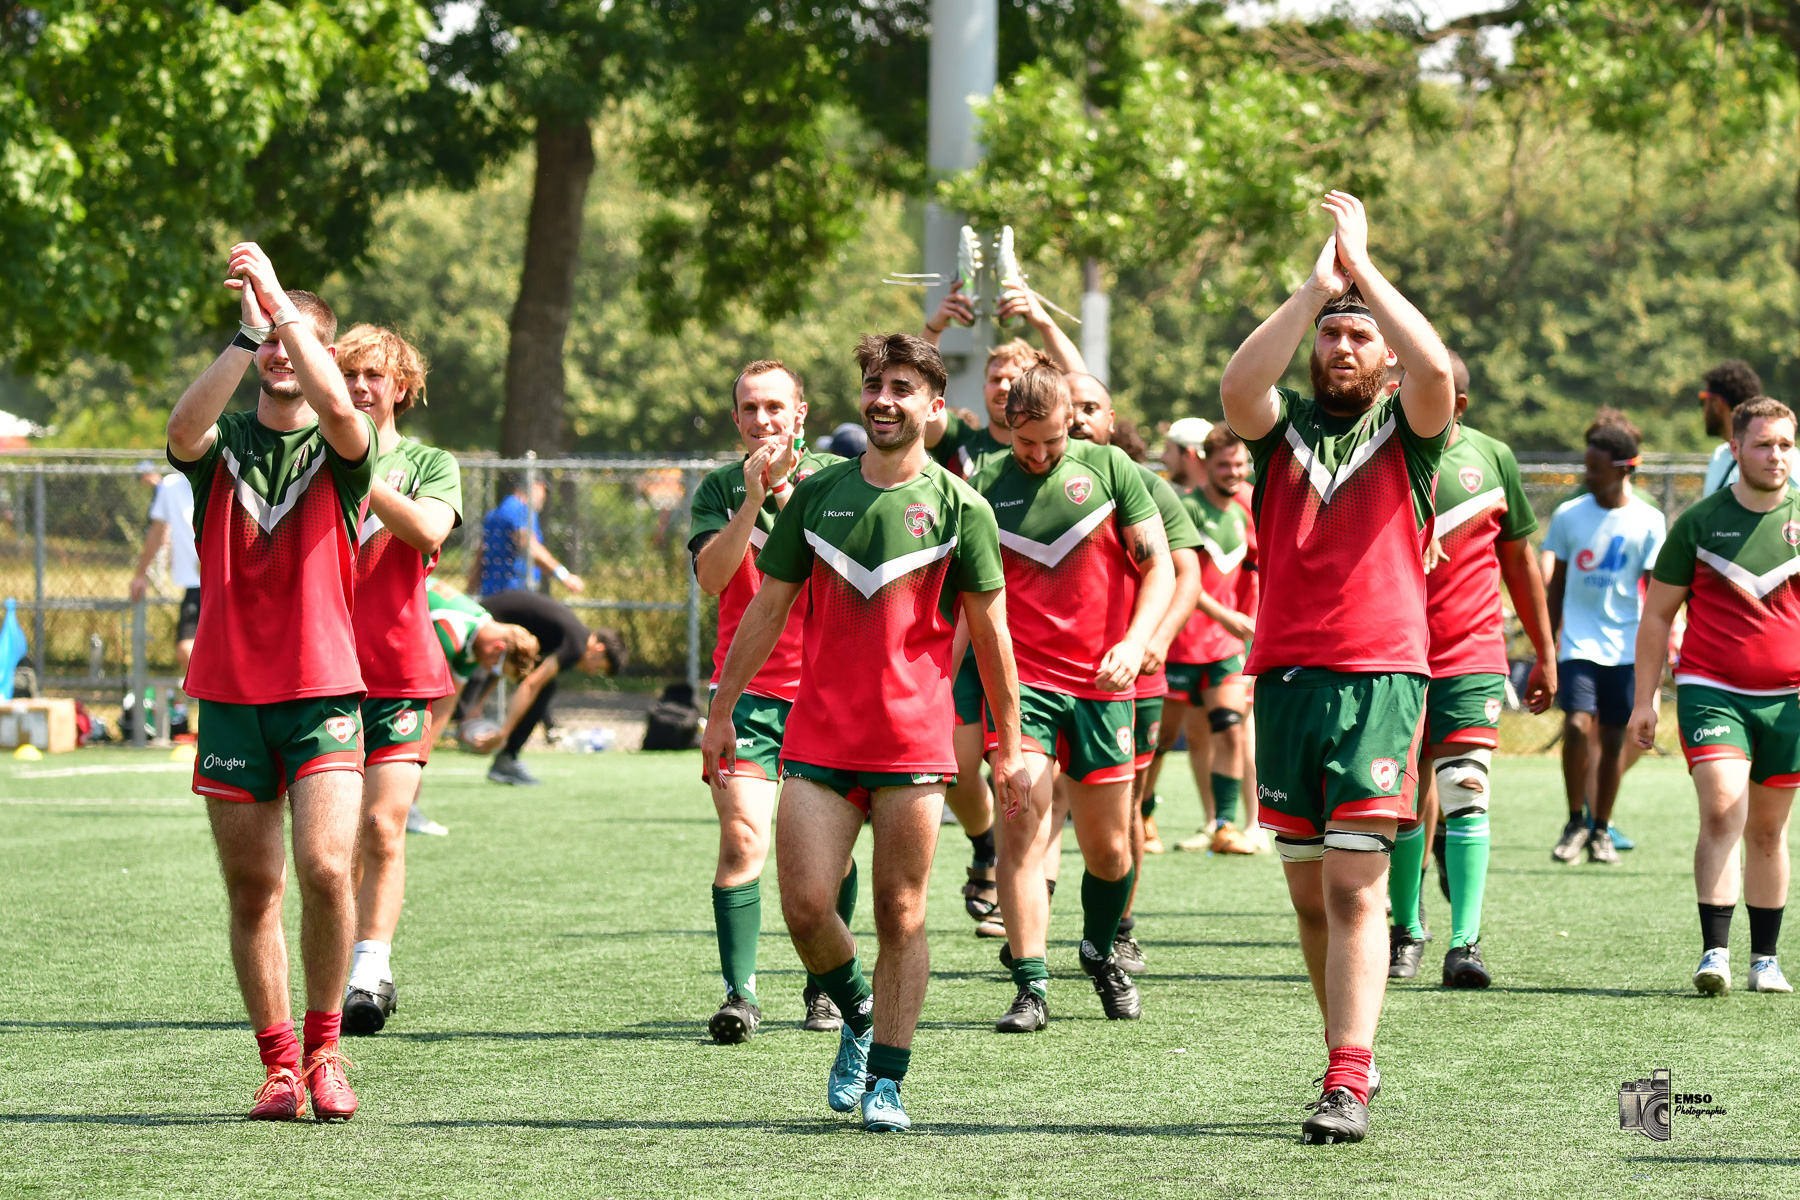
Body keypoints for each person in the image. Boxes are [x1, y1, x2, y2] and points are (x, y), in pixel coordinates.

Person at [700, 332, 1028, 1134]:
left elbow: (992, 637)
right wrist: (720, 711)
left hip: (914, 741)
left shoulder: (961, 507)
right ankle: (856, 1014)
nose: (885, 399)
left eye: (903, 387)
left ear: (933, 407)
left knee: (901, 912)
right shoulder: (818, 495)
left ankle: (887, 1078)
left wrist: (1009, 745)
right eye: (876, 385)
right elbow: (764, 608)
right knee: (807, 906)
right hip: (818, 734)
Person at [1219, 191, 1455, 1144]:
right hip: (1286, 680)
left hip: (1381, 677)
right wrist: (1314, 288)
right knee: (1313, 894)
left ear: (1383, 357)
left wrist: (1368, 274)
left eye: (1359, 337)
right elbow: (1240, 387)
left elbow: (1434, 368)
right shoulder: (1282, 436)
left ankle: (1346, 1076)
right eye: (1332, 337)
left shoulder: (1413, 435)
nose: (1343, 347)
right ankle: (1347, 1053)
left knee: (1357, 886)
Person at [166, 244, 375, 1121]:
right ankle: (280, 1065)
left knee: (327, 867)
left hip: (323, 688)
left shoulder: (345, 446)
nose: (282, 352)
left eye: (298, 337)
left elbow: (339, 405)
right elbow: (182, 431)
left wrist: (283, 309)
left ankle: (328, 1052)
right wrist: (247, 332)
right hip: (229, 693)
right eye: (273, 341)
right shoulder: (227, 445)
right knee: (255, 889)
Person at [969, 367, 1174, 1031]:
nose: (1038, 455)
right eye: (1026, 443)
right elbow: (961, 595)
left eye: (1051, 442)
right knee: (1022, 834)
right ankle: (1031, 985)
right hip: (1022, 691)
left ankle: (1096, 950)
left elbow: (1161, 568)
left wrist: (1135, 640)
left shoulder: (1111, 469)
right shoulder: (983, 482)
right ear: (1006, 422)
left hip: (1102, 688)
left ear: (1070, 424)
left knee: (1110, 853)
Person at [689, 359, 849, 1043]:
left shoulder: (838, 485)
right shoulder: (719, 490)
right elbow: (711, 577)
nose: (763, 421)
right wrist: (753, 500)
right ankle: (740, 994)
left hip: (826, 696)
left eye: (775, 408)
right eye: (750, 408)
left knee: (828, 859)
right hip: (746, 694)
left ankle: (826, 985)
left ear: (801, 414)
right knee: (742, 839)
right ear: (736, 418)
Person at [1387, 351, 1557, 988]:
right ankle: (1406, 929)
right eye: (1403, 391)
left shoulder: (1492, 457)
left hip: (1470, 654)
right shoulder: (1381, 453)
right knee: (1401, 803)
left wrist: (1545, 650)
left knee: (1464, 788)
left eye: (1431, 392)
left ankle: (1466, 943)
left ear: (1457, 403)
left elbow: (1519, 562)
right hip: (1392, 654)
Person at [1631, 397, 1798, 995]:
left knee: (1769, 832)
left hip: (1791, 702)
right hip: (1712, 690)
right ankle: (1715, 954)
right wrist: (1644, 700)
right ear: (1735, 450)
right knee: (1725, 807)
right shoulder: (1699, 522)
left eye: (1785, 444)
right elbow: (1656, 617)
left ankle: (1765, 961)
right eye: (1762, 444)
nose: (1775, 455)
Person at [336, 325, 463, 1037]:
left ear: (402, 387)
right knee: (334, 843)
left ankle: (370, 969)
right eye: (349, 373)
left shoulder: (428, 462)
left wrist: (363, 473)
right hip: (320, 674)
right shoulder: (310, 456)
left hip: (399, 670)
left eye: (374, 375)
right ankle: (338, 966)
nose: (361, 386)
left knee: (383, 826)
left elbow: (424, 530)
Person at [1065, 374, 1202, 971]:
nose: (1076, 419)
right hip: (1049, 679)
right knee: (1035, 807)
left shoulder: (1141, 484)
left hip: (1132, 681)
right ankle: (1028, 940)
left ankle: (1118, 925)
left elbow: (1184, 571)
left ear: (1111, 418)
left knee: (1129, 811)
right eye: (1066, 407)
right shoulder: (1018, 480)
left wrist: (1155, 637)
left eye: (1089, 408)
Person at [1543, 423, 1666, 864]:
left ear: (1621, 469)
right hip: (1577, 643)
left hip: (1625, 648)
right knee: (1576, 726)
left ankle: (1600, 830)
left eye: (1594, 468)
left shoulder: (1650, 521)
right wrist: (1546, 647)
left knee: (1614, 740)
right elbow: (1555, 586)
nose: (1586, 475)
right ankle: (1574, 819)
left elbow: (1657, 595)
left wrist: (1662, 650)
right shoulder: (1569, 516)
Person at [1165, 425, 1261, 856]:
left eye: (1240, 463)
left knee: (1232, 733)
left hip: (1228, 646)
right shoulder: (1184, 506)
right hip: (1179, 644)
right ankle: (1146, 817)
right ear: (1203, 462)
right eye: (1225, 464)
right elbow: (1181, 577)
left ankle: (1230, 824)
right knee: (1168, 739)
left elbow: (1258, 572)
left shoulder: (1250, 504)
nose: (1234, 471)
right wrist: (1228, 616)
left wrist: (1253, 623)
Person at [920, 280, 1087, 477]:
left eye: (1013, 379)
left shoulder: (1053, 446)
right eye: (995, 379)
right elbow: (918, 397)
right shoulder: (960, 441)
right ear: (984, 388)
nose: (1003, 387)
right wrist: (934, 327)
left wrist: (1044, 324)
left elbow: (1082, 386)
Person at [472, 589, 625, 785]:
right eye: (599, 668)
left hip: (492, 614)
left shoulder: (574, 636)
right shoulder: (577, 645)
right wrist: (503, 733)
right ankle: (506, 758)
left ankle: (506, 756)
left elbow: (509, 663)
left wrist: (478, 706)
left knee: (547, 687)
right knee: (544, 688)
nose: (593, 672)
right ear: (598, 649)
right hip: (487, 619)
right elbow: (530, 685)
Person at [128, 461, 200, 739]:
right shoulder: (170, 487)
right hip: (196, 587)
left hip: (229, 584)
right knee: (186, 649)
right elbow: (157, 531)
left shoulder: (227, 473)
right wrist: (140, 574)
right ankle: (215, 710)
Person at [467, 476, 584, 598]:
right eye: (542, 490)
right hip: (513, 595)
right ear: (534, 487)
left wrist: (470, 590)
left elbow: (481, 555)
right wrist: (564, 575)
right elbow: (530, 546)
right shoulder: (518, 509)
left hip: (492, 594)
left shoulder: (494, 514)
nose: (543, 497)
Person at [1699, 360, 1766, 496]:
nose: (1703, 410)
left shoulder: (1782, 458)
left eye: (1704, 400)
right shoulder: (1719, 456)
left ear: (1717, 404)